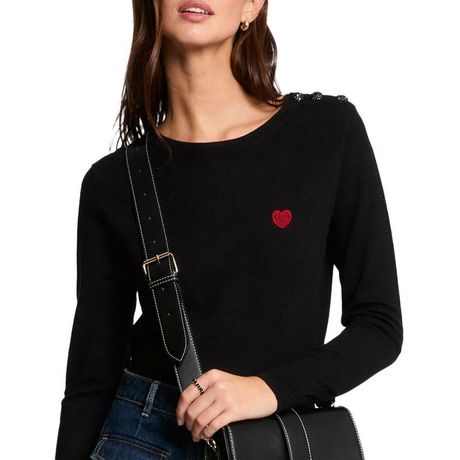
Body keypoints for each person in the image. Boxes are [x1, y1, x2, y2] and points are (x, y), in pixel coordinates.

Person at [55, 0, 404, 459]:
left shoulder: (326, 133)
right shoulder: (112, 183)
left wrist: (268, 389)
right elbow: (91, 378)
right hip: (144, 436)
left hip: (278, 440)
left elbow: (379, 326)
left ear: (252, 6)